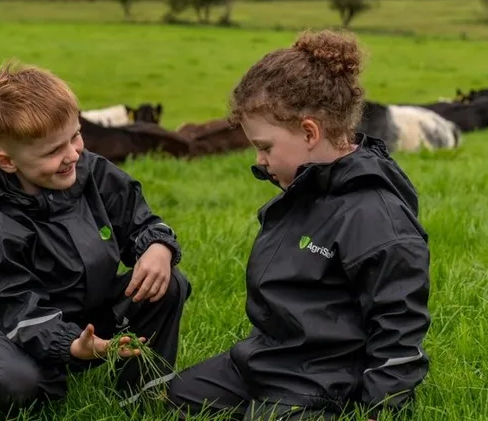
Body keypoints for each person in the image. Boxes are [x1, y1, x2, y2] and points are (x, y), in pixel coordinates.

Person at [167, 30, 431, 421]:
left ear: (309, 132)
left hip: (325, 376)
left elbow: (399, 325)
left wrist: (382, 409)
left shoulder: (376, 215)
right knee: (177, 395)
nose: (259, 160)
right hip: (270, 359)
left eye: (265, 147)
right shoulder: (302, 189)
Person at [0, 59, 191, 417]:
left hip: (92, 311)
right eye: (53, 151)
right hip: (19, 327)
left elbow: (141, 222)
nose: (72, 154)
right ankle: (39, 377)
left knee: (167, 282)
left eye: (75, 136)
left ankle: (141, 394)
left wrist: (158, 246)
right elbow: (14, 304)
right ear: (6, 162)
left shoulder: (94, 172)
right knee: (14, 385)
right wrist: (70, 345)